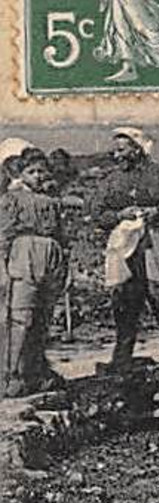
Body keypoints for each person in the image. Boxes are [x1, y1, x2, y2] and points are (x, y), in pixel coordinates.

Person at [89, 126, 159, 374]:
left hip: (156, 241)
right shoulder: (110, 180)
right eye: (115, 151)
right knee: (124, 301)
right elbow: (97, 213)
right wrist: (119, 215)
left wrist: (158, 211)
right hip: (123, 246)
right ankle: (121, 360)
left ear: (137, 149)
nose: (117, 155)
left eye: (122, 150)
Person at [0, 149, 70, 396]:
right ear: (21, 174)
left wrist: (64, 263)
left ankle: (35, 372)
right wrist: (3, 267)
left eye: (42, 171)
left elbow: (61, 235)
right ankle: (11, 375)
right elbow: (4, 234)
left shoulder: (52, 201)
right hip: (23, 255)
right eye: (32, 171)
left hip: (49, 258)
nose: (38, 176)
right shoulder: (12, 198)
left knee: (42, 319)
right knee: (20, 319)